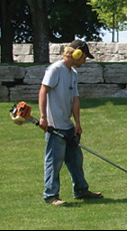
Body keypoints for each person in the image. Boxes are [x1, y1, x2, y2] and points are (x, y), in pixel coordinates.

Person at [38, 40, 102, 206]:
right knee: (54, 161)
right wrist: (43, 118)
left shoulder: (73, 74)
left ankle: (81, 190)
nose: (85, 61)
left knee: (76, 160)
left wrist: (78, 123)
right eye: (84, 57)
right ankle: (51, 196)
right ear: (76, 53)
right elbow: (43, 91)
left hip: (68, 126)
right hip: (55, 126)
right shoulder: (55, 69)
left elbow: (75, 99)